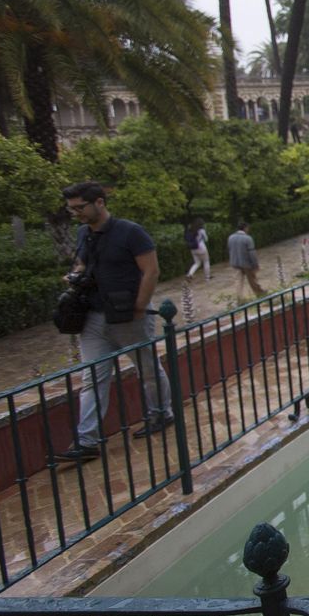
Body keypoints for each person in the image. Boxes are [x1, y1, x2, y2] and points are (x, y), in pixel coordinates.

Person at [57, 182, 174, 461]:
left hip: (128, 315)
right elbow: (83, 265)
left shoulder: (131, 232)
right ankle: (87, 441)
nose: (76, 213)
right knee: (93, 377)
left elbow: (151, 271)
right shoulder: (84, 233)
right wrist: (76, 275)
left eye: (80, 207)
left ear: (99, 202)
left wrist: (140, 306)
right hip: (94, 317)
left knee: (146, 368)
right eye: (71, 209)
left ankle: (161, 413)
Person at [227, 222, 267, 300]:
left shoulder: (230, 237)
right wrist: (255, 265)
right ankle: (259, 293)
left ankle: (239, 298)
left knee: (238, 281)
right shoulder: (248, 238)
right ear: (245, 228)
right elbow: (252, 253)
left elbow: (230, 249)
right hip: (246, 263)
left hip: (235, 263)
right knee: (252, 279)